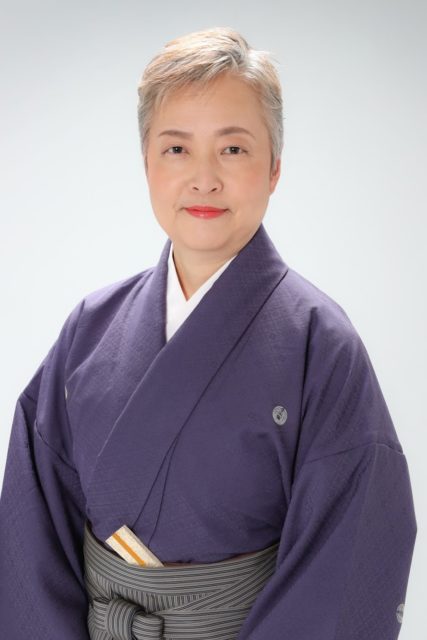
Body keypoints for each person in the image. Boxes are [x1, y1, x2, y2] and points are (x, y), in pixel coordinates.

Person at [0, 26, 417, 640]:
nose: (203, 178)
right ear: (146, 164)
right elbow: (29, 535)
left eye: (233, 149)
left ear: (274, 168)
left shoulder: (320, 345)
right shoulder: (90, 328)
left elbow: (352, 553)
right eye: (176, 149)